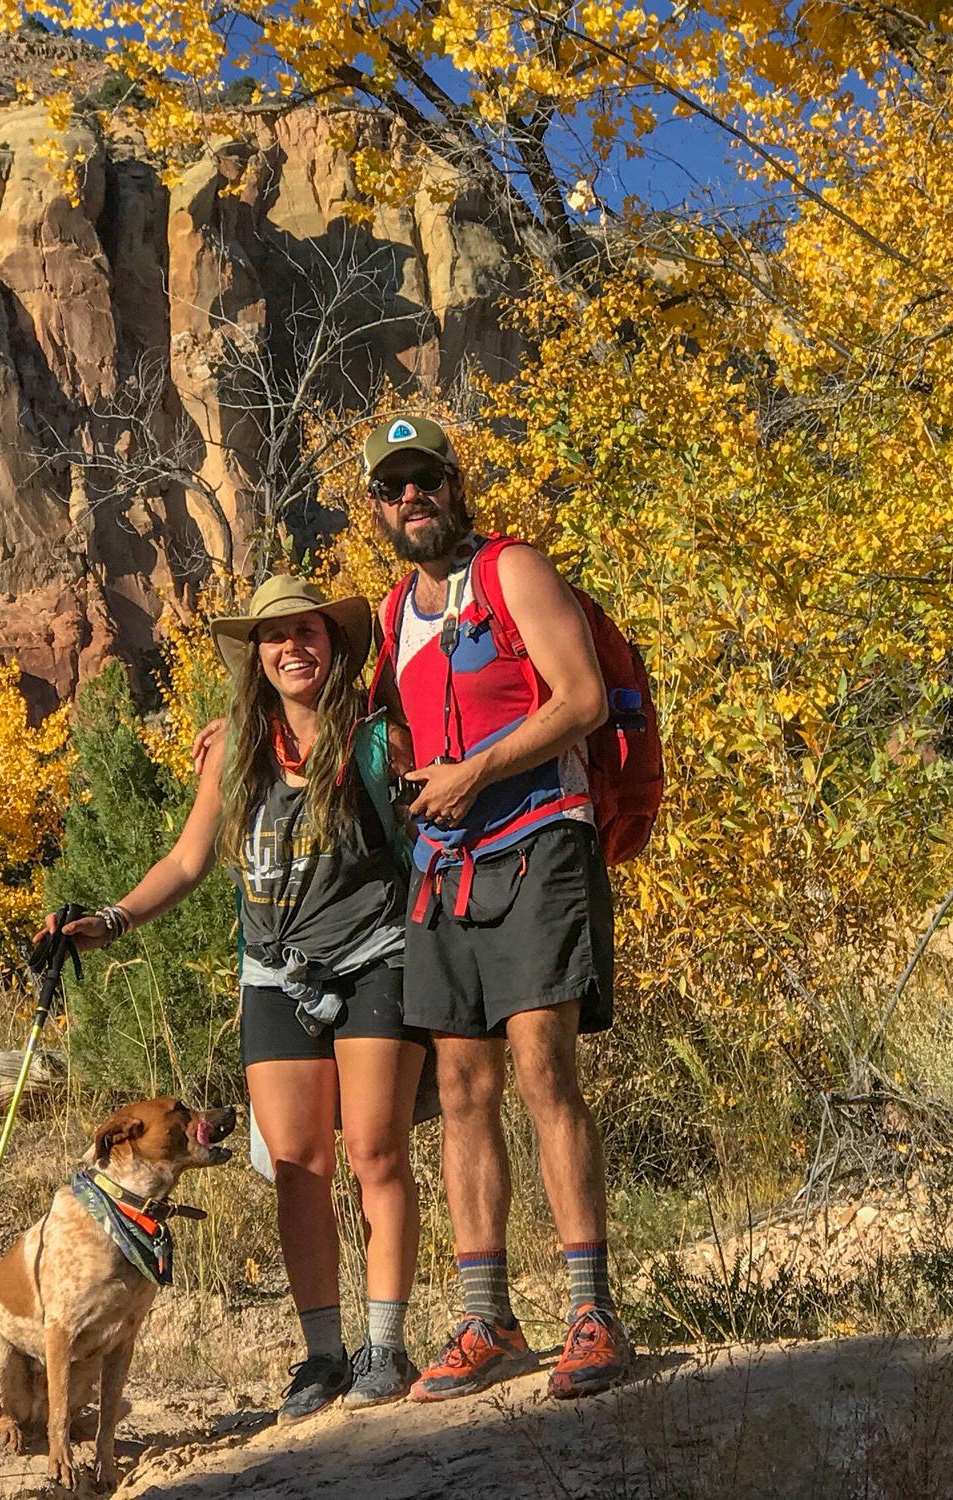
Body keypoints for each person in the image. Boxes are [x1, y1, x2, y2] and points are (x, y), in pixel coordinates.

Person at [41, 575, 428, 1420]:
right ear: (255, 654)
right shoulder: (235, 748)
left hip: (373, 957)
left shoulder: (376, 736)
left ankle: (386, 1346)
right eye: (274, 635)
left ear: (333, 644)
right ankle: (323, 1355)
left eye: (308, 631)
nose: (294, 646)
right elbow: (187, 862)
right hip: (273, 973)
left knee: (374, 1153)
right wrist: (111, 919)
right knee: (297, 1168)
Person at [362, 414, 634, 1401]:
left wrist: (473, 772)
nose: (411, 499)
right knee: (463, 1092)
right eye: (392, 489)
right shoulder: (398, 611)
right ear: (379, 511)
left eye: (423, 479)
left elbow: (582, 700)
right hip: (442, 868)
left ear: (452, 483)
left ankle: (592, 1313)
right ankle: (488, 1321)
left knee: (540, 1069)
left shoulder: (513, 570)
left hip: (536, 846)